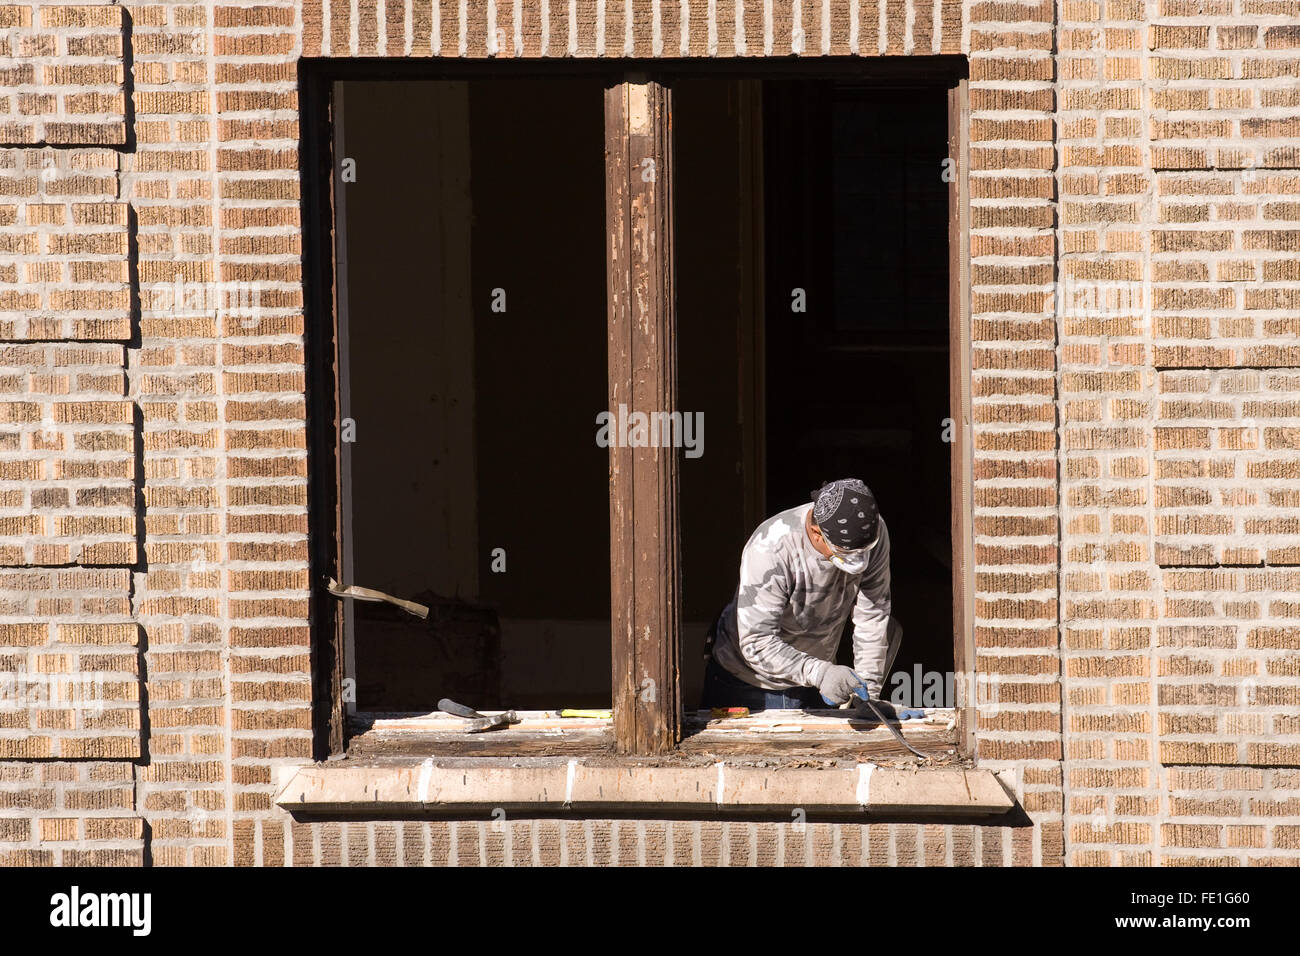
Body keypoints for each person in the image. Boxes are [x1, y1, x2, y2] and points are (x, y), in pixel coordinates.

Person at [700, 478, 900, 712]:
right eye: (846, 553)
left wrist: (868, 697)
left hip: (816, 680)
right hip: (747, 683)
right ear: (816, 533)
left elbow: (873, 615)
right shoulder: (771, 548)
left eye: (863, 551)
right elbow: (757, 641)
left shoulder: (871, 533)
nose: (859, 561)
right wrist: (820, 672)